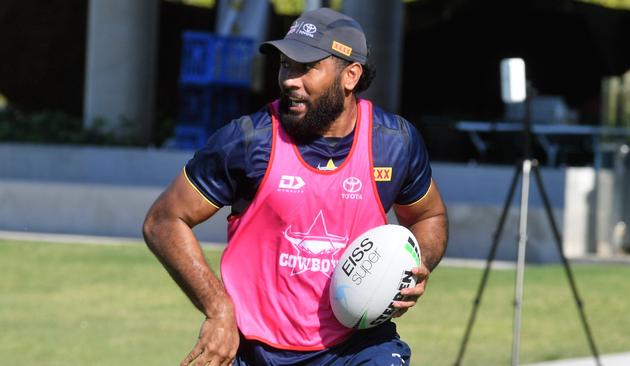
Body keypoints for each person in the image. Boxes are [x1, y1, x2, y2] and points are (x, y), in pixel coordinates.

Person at [143, 7, 448, 366]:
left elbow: (430, 216)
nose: (290, 79)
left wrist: (415, 265)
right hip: (255, 348)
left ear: (350, 75)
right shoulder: (248, 139)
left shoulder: (394, 143)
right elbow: (164, 220)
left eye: (306, 67)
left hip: (358, 347)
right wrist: (218, 309)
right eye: (286, 65)